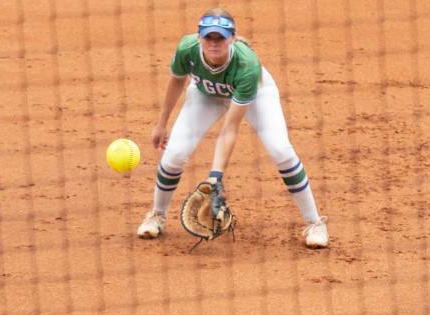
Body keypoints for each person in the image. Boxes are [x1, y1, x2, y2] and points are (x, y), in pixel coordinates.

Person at [137, 10, 328, 249]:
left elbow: (230, 129)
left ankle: (315, 223)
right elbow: (177, 80)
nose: (214, 43)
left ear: (233, 38)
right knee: (174, 154)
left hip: (257, 95)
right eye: (208, 37)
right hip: (206, 95)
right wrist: (161, 124)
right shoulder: (187, 49)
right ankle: (156, 214)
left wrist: (216, 176)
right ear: (199, 38)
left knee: (281, 150)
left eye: (220, 38)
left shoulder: (246, 66)